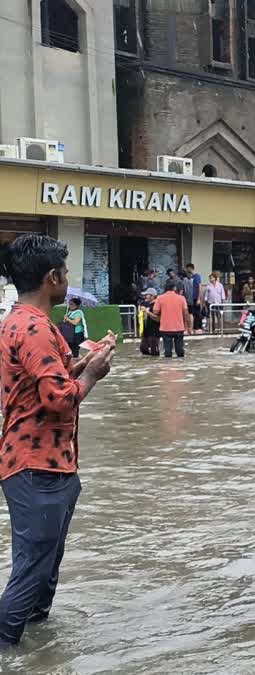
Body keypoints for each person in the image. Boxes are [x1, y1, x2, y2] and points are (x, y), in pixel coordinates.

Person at [0, 234, 115, 648]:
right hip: (37, 467)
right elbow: (59, 399)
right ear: (52, 278)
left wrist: (85, 362)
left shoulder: (22, 321)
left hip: (44, 465)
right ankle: (8, 649)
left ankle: (36, 651)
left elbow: (48, 380)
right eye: (65, 272)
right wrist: (92, 375)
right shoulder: (35, 329)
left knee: (42, 569)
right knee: (32, 571)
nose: (68, 278)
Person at [152, 281, 191, 358]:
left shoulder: (160, 298)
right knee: (180, 351)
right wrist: (189, 327)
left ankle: (168, 367)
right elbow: (186, 313)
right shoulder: (181, 298)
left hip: (165, 328)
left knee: (168, 351)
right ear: (174, 288)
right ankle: (181, 367)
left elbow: (155, 312)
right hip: (179, 328)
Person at [139, 289, 160, 356]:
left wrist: (147, 312)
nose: (145, 296)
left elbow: (158, 319)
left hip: (154, 331)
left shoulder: (156, 305)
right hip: (146, 331)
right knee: (143, 348)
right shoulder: (146, 304)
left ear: (152, 296)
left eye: (147, 295)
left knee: (154, 351)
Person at [184, 263, 203, 333]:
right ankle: (192, 327)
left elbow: (199, 287)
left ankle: (198, 328)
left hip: (195, 297)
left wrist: (199, 298)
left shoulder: (197, 276)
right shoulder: (188, 277)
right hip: (190, 298)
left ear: (190, 268)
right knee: (191, 313)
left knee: (197, 313)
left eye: (187, 268)